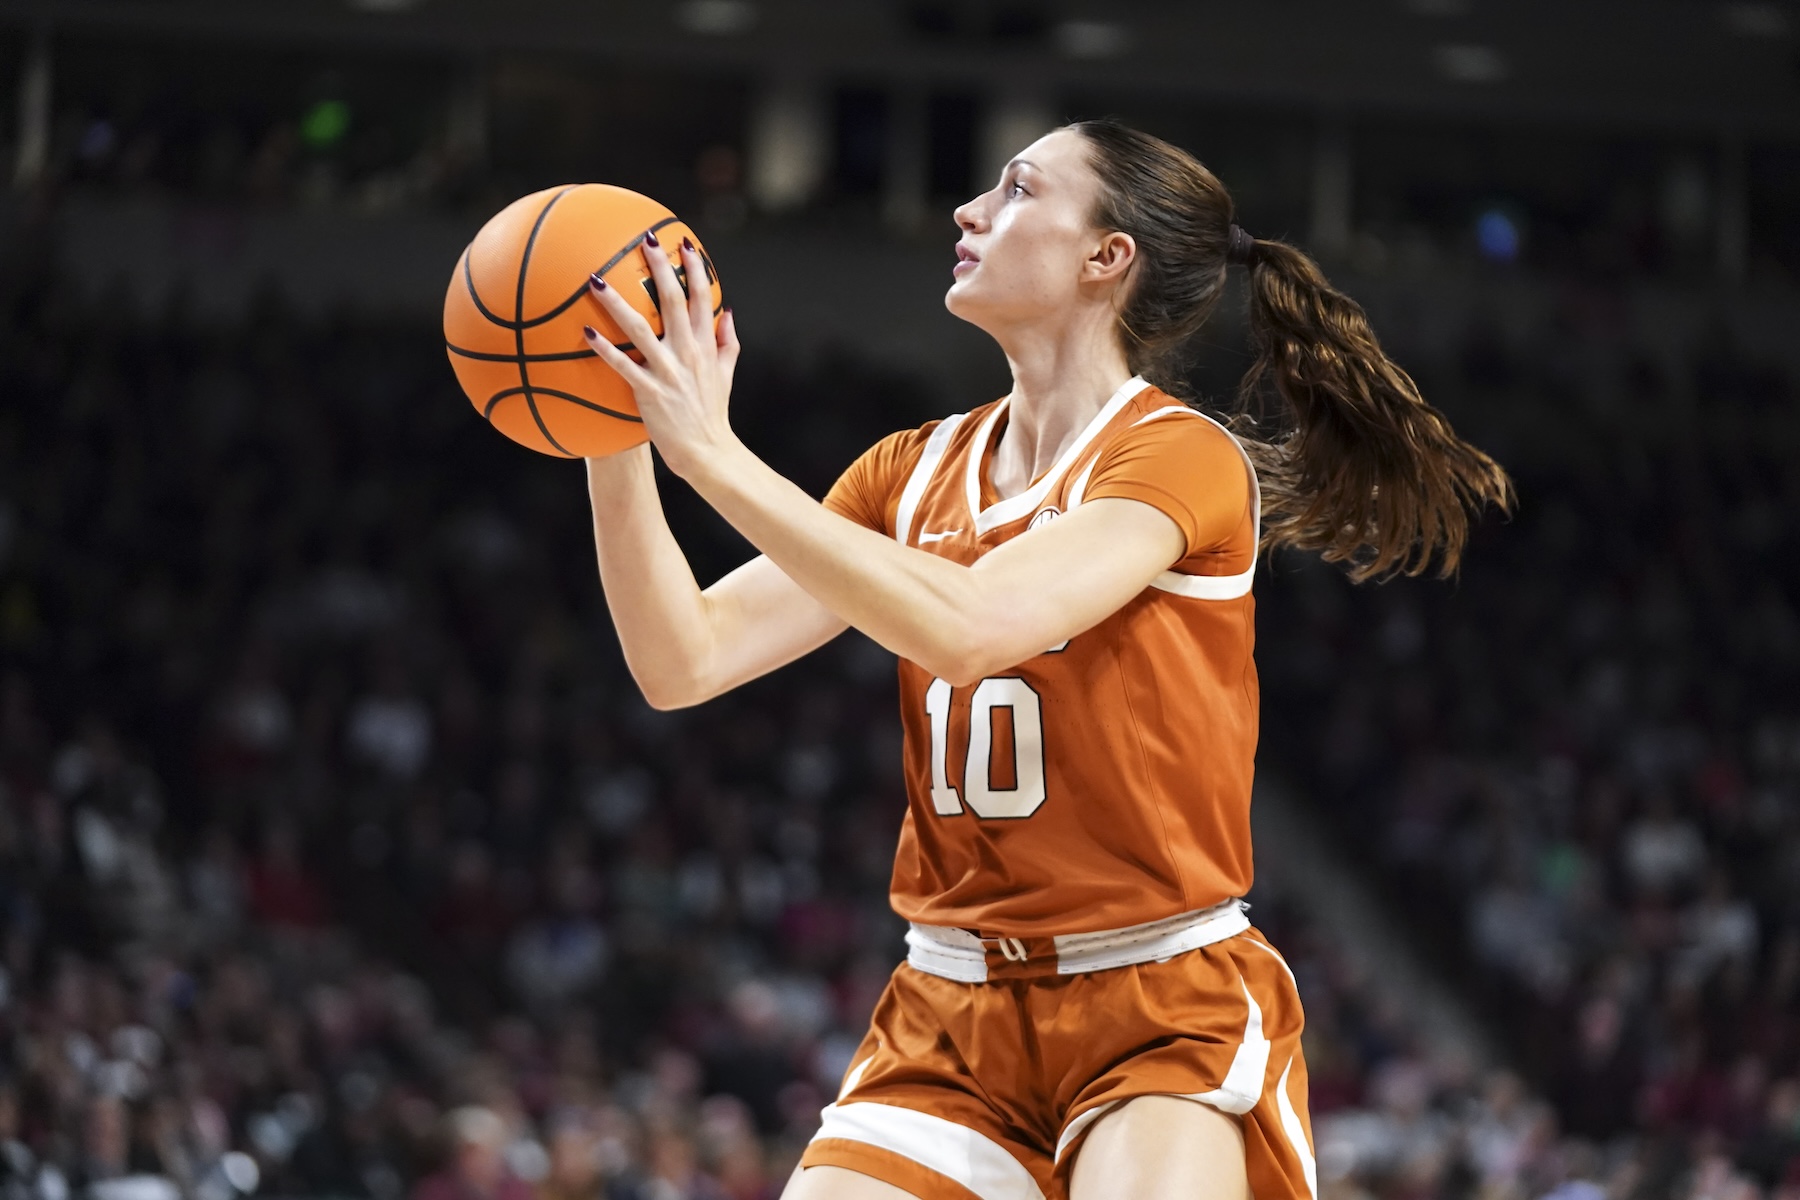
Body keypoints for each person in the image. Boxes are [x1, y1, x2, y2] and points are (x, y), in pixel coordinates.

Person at [578, 119, 1511, 1200]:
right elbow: (680, 659)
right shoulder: (910, 470)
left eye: (1016, 190)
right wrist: (612, 437)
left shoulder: (1179, 456)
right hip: (950, 1013)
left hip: (1155, 1005)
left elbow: (973, 626)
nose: (969, 211)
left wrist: (714, 455)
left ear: (1104, 257)